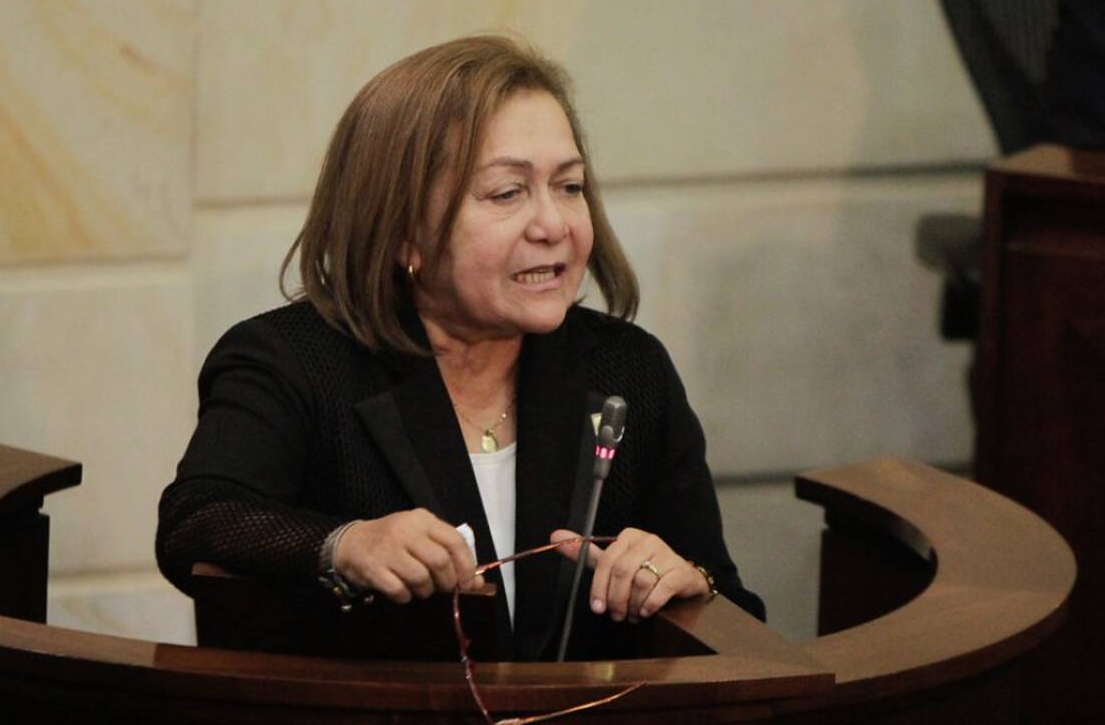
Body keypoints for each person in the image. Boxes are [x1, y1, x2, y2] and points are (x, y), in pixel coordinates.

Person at [156, 35, 763, 661]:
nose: (553, 224)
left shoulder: (628, 369)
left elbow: (736, 614)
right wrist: (344, 544)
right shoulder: (291, 361)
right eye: (506, 193)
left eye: (569, 186)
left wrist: (686, 584)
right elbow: (195, 521)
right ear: (401, 230)